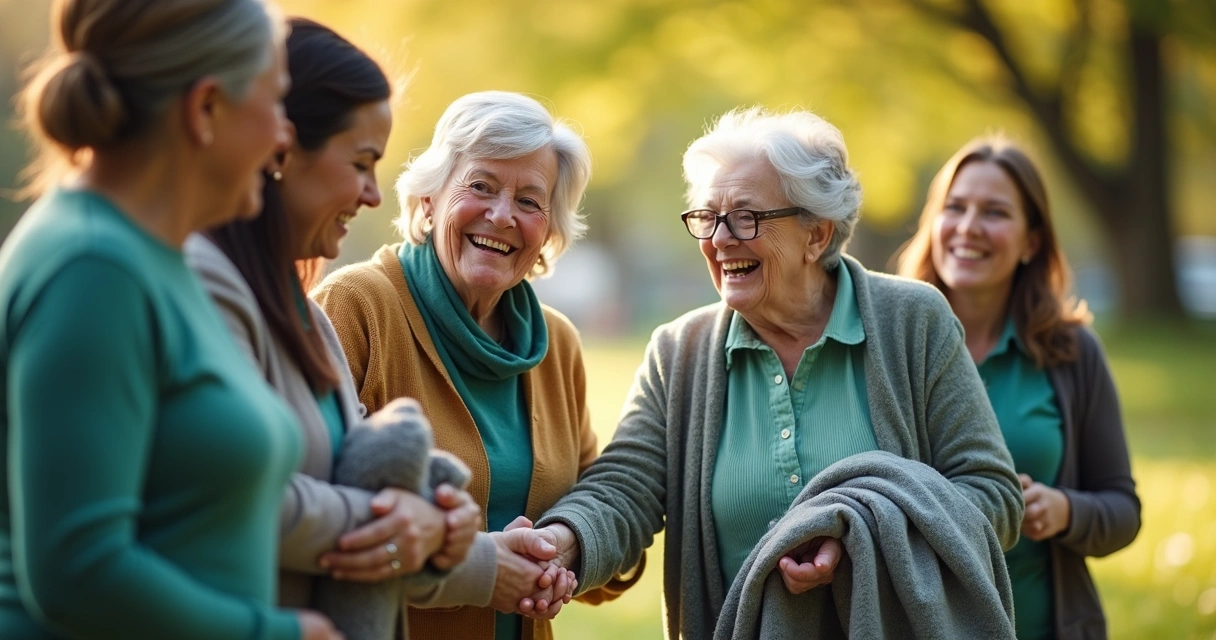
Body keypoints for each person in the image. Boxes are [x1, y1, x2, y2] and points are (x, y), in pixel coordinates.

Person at [530, 107, 1025, 638]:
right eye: (706, 216)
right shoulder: (680, 352)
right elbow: (624, 490)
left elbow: (992, 493)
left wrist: (860, 535)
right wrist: (563, 539)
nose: (720, 239)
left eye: (747, 217)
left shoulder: (914, 321)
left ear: (817, 235)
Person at [0, 1, 340, 638]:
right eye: (275, 103)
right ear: (206, 108)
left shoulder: (159, 255)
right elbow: (78, 567)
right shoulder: (94, 269)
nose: (283, 136)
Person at [183, 17, 484, 626]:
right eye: (362, 162)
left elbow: (348, 473)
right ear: (282, 150)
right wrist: (411, 528)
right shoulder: (201, 285)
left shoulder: (305, 314)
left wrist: (444, 525)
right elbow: (226, 499)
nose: (374, 194)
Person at [313, 90, 642, 640]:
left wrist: (565, 545)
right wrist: (480, 566)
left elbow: (597, 501)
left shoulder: (555, 342)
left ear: (549, 232)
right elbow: (311, 510)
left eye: (530, 201)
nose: (502, 215)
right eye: (481, 186)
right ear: (428, 200)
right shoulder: (356, 306)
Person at [895, 136, 1141, 639]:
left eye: (995, 212)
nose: (967, 228)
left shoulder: (1071, 353)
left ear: (1032, 240)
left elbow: (1123, 509)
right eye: (955, 207)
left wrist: (1064, 511)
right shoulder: (891, 343)